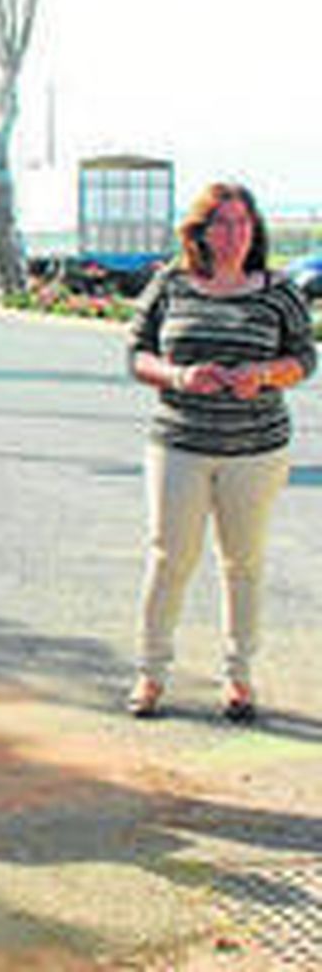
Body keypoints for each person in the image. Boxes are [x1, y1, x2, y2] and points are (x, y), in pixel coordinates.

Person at [125, 181, 315, 721]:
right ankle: (151, 673)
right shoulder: (171, 284)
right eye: (222, 223)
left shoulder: (278, 291)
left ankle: (238, 678)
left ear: (255, 231)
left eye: (243, 223)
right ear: (201, 231)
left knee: (243, 563)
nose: (233, 234)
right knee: (169, 559)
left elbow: (305, 357)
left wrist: (267, 374)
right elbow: (136, 353)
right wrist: (180, 375)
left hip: (255, 451)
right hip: (180, 444)